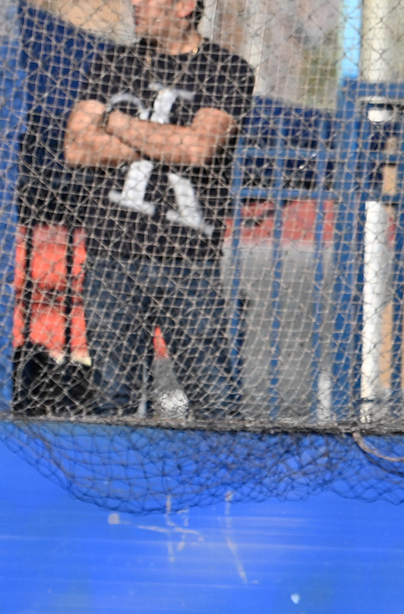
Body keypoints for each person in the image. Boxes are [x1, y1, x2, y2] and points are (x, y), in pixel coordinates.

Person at [63, 0, 254, 419]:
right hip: (113, 252)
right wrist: (167, 141)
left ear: (184, 6)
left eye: (149, 0)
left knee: (214, 396)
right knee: (112, 394)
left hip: (188, 258)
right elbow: (76, 148)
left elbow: (199, 149)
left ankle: (223, 474)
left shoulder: (226, 68)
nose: (136, 5)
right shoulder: (113, 62)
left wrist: (114, 123)